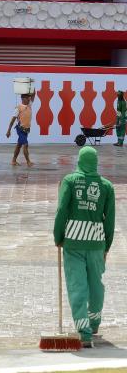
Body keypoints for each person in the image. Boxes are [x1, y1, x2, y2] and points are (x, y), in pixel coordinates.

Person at [53, 146, 114, 348]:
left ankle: (84, 332)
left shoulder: (70, 181)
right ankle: (94, 322)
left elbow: (62, 210)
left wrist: (58, 236)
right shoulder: (106, 186)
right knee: (96, 284)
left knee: (77, 286)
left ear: (79, 160)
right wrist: (107, 246)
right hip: (97, 242)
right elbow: (110, 221)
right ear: (95, 162)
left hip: (73, 241)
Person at [6, 93, 35, 167]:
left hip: (26, 130)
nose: (29, 99)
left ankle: (13, 160)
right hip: (20, 129)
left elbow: (34, 95)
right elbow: (12, 120)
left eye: (29, 98)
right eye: (28, 98)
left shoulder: (29, 105)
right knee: (25, 144)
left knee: (19, 145)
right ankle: (28, 162)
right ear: (23, 98)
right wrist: (8, 130)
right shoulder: (18, 108)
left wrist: (31, 87)